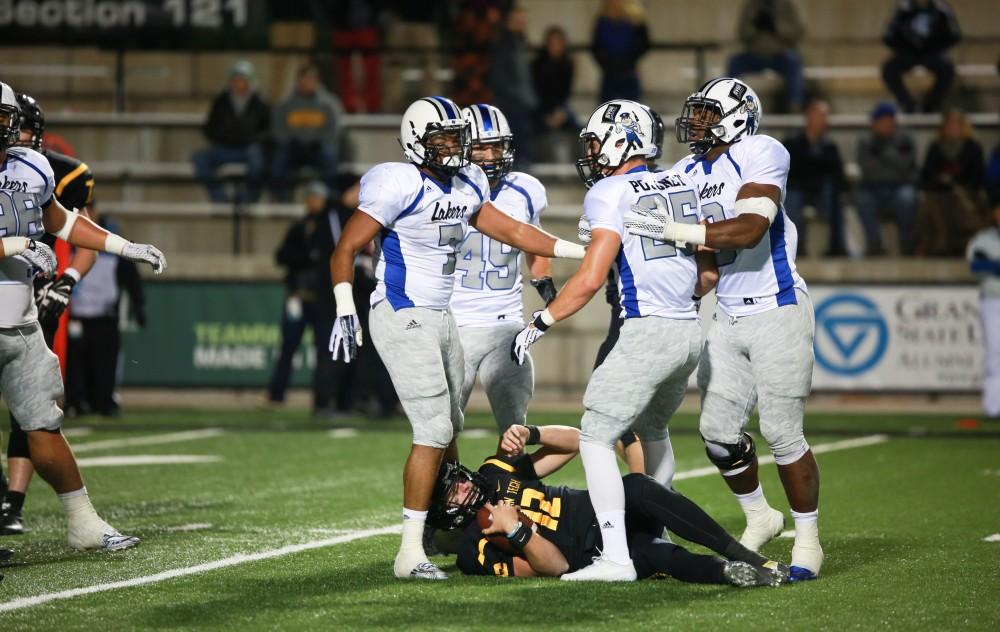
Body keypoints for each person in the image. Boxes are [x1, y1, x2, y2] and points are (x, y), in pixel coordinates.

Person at [327, 96, 586, 580]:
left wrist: (583, 251)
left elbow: (512, 231)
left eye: (456, 137)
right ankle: (411, 552)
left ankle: (448, 521)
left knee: (450, 425)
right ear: (415, 141)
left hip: (442, 316)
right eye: (441, 138)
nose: (454, 147)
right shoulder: (398, 182)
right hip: (403, 311)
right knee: (433, 430)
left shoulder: (467, 181)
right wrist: (344, 304)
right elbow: (346, 246)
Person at [511, 99, 719, 581]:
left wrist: (540, 321)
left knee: (596, 434)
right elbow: (707, 275)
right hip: (689, 329)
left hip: (647, 329)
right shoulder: (684, 181)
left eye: (596, 141)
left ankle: (617, 557)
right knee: (654, 432)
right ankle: (656, 535)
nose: (592, 152)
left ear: (623, 139)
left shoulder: (610, 190)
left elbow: (589, 278)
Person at [627, 77, 823, 581]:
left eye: (708, 113)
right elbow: (642, 196)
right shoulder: (689, 168)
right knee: (716, 433)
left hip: (778, 308)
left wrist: (668, 228)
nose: (695, 123)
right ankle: (760, 515)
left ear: (738, 116)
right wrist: (606, 216)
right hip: (727, 315)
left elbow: (750, 228)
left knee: (782, 433)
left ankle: (808, 538)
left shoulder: (761, 151)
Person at [0, 80, 165, 551]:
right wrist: (16, 245)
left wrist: (122, 246)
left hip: (20, 321)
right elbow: (29, 238)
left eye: (0, 117)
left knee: (43, 425)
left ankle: (83, 522)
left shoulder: (31, 165)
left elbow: (64, 222)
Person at [432, 424, 787, 586]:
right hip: (590, 553)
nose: (464, 484)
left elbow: (577, 441)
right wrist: (518, 530)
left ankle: (746, 555)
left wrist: (532, 433)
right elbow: (555, 567)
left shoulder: (494, 473)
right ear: (449, 513)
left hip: (603, 510)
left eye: (459, 477)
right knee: (656, 554)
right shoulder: (475, 550)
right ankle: (729, 573)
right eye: (454, 491)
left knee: (637, 487)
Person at [1, 92, 100, 537]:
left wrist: (67, 283)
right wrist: (16, 245)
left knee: (36, 411)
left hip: (31, 294)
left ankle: (15, 503)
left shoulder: (53, 170)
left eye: (17, 123)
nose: (16, 133)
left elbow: (76, 231)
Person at [451, 103, 553, 434]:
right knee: (442, 428)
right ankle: (447, 486)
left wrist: (544, 281)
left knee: (515, 427)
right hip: (454, 323)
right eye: (481, 147)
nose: (491, 155)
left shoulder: (525, 188)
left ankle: (511, 483)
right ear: (464, 147)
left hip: (505, 324)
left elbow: (534, 241)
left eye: (497, 146)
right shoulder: (446, 190)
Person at [267, 181, 343, 417]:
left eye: (315, 197)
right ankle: (276, 394)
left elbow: (331, 255)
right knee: (288, 347)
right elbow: (282, 255)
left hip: (321, 299)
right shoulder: (300, 225)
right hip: (298, 297)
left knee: (324, 351)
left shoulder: (331, 223)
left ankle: (322, 400)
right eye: (309, 197)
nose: (311, 201)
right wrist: (308, 257)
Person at [64, 216, 145, 418]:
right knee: (75, 364)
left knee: (105, 363)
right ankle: (76, 400)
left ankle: (104, 400)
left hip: (104, 316)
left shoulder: (113, 253)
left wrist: (139, 304)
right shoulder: (72, 245)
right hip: (77, 315)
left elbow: (131, 279)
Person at [191, 60, 269, 204]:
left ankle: (248, 198)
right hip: (224, 148)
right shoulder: (221, 101)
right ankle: (220, 197)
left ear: (249, 82)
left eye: (242, 80)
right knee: (200, 158)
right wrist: (222, 137)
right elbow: (209, 127)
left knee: (259, 161)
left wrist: (252, 139)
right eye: (235, 79)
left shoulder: (260, 102)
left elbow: (267, 130)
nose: (238, 83)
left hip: (248, 149)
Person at [915, 109, 986, 256]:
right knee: (935, 200)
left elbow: (977, 176)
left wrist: (956, 182)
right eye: (949, 125)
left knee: (954, 198)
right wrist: (941, 180)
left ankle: (953, 243)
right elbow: (926, 175)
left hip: (966, 191)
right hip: (939, 191)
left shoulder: (972, 147)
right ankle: (940, 243)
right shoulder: (935, 147)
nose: (953, 129)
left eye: (956, 125)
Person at [783, 99, 847, 257]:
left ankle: (836, 248)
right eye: (819, 116)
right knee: (793, 198)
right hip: (797, 189)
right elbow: (789, 171)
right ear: (808, 116)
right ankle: (795, 248)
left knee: (834, 197)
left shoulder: (830, 146)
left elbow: (838, 175)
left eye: (825, 117)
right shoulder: (792, 143)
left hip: (821, 191)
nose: (822, 120)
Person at [270, 64, 344, 202]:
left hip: (318, 148)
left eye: (312, 79)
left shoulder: (329, 103)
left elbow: (333, 131)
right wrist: (294, 140)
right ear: (299, 81)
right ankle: (280, 199)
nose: (309, 82)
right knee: (279, 155)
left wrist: (314, 140)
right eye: (306, 79)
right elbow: (278, 131)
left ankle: (331, 198)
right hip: (294, 147)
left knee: (329, 152)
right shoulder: (285, 103)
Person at [855, 102, 919, 256]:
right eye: (880, 121)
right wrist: (892, 164)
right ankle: (874, 243)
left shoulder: (905, 140)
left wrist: (884, 151)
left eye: (888, 121)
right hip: (873, 187)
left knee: (907, 197)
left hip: (900, 186)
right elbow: (868, 169)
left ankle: (906, 241)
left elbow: (906, 166)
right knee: (862, 198)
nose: (884, 125)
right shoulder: (865, 142)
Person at [882, 0, 962, 113]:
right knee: (889, 69)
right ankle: (907, 103)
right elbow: (888, 35)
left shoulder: (941, 8)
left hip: (933, 53)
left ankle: (930, 105)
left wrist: (934, 46)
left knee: (947, 69)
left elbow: (954, 34)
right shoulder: (903, 8)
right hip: (907, 53)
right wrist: (906, 47)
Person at [727, 0, 805, 112]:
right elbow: (742, 33)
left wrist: (776, 25)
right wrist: (755, 25)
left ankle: (795, 106)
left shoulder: (786, 6)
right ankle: (728, 103)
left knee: (794, 61)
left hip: (779, 55)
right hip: (754, 56)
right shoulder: (751, 6)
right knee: (734, 62)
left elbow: (797, 32)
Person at [487, 6, 538, 169]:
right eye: (517, 21)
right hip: (510, 106)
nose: (521, 24)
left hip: (521, 106)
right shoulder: (503, 45)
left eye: (522, 21)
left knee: (521, 152)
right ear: (508, 23)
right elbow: (498, 79)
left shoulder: (520, 43)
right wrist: (521, 98)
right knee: (515, 154)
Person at [967, 204, 1000, 419]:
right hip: (994, 300)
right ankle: (994, 406)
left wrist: (994, 265)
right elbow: (977, 266)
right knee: (996, 353)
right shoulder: (984, 239)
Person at [591, 0, 649, 103]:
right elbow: (596, 47)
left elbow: (644, 44)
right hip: (609, 72)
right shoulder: (602, 21)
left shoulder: (636, 20)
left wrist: (628, 61)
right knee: (607, 109)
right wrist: (606, 63)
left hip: (628, 71)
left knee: (631, 108)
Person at [331, 0, 382, 114]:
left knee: (371, 71)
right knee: (344, 71)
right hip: (343, 26)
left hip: (368, 26)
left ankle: (371, 106)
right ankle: (348, 106)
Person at [532, 26, 578, 140]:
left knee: (578, 128)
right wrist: (549, 116)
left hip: (560, 106)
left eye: (558, 43)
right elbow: (537, 91)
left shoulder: (567, 64)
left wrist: (560, 112)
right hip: (540, 106)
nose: (555, 46)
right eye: (552, 43)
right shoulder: (538, 64)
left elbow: (565, 92)